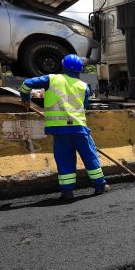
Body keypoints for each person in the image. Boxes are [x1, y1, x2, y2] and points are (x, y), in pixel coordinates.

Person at [19, 54, 108, 199]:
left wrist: (25, 99)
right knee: (90, 156)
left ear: (63, 66)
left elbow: (27, 84)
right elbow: (83, 107)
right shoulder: (84, 86)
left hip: (59, 130)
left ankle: (67, 192)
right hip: (79, 129)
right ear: (79, 70)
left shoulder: (52, 79)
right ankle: (100, 186)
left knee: (64, 159)